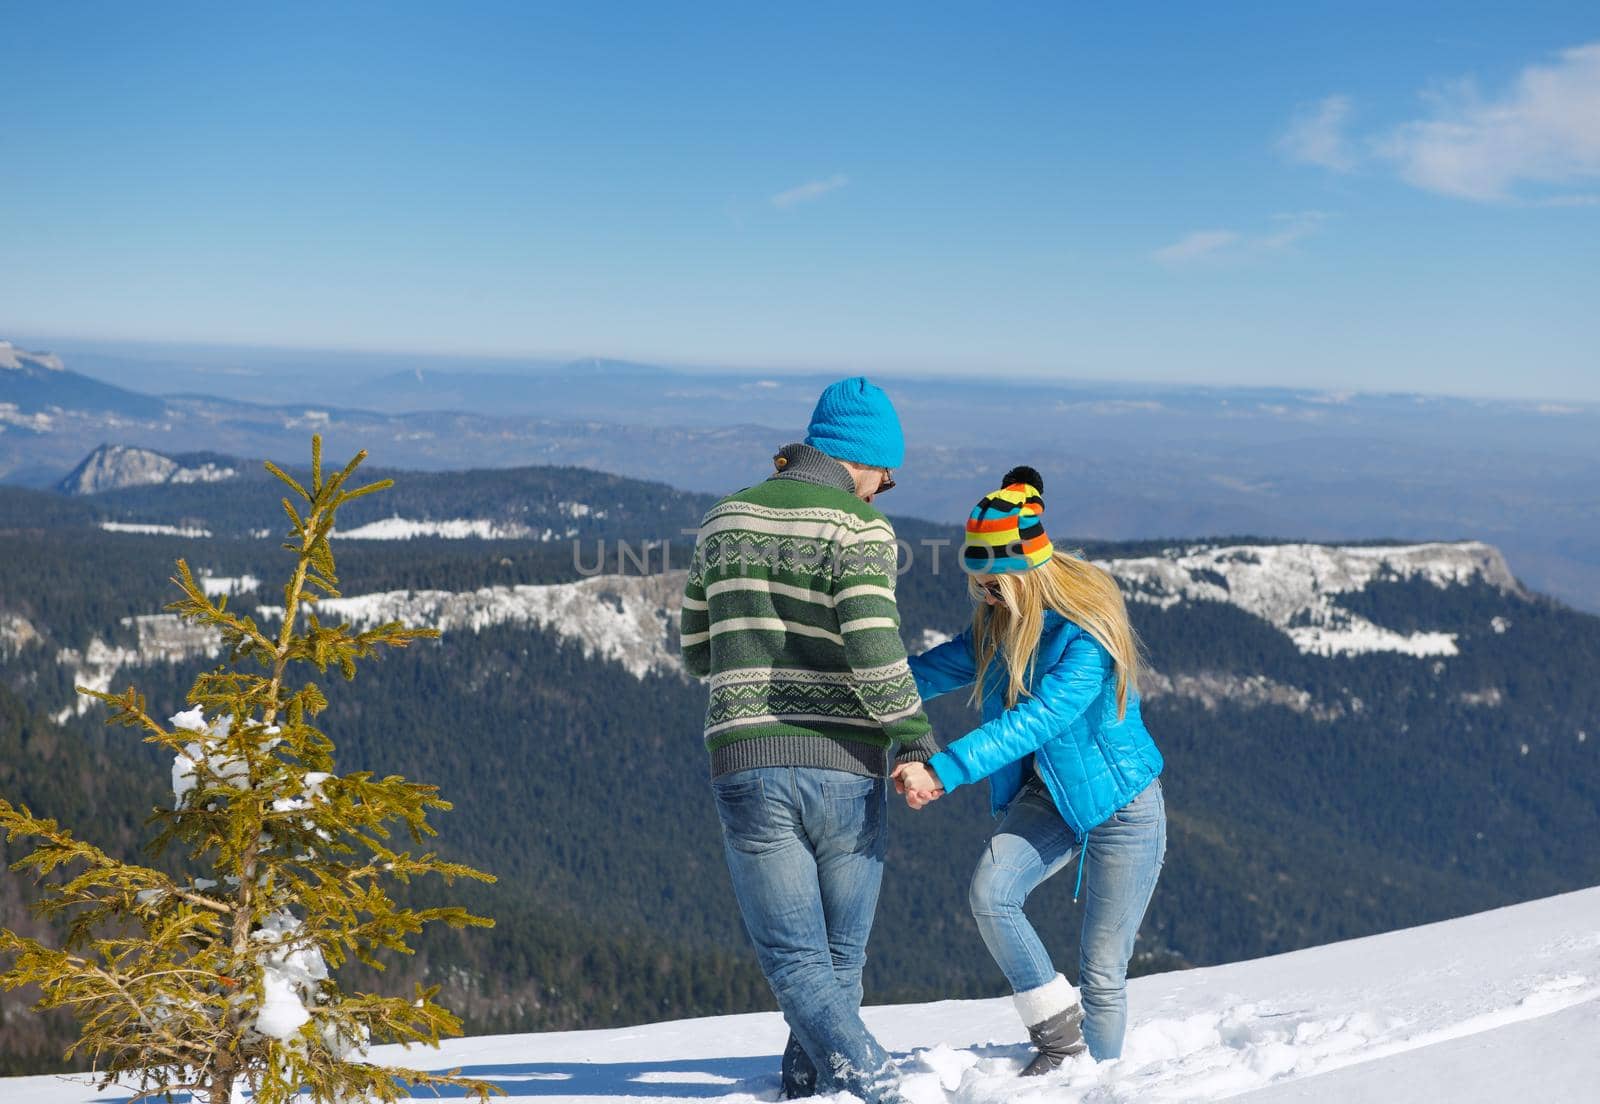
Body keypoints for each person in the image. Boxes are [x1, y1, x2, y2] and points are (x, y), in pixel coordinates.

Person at [680, 377, 939, 1104]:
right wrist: (914, 738)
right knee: (834, 960)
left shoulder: (722, 519)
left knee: (799, 965)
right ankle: (887, 1093)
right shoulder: (858, 530)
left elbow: (696, 648)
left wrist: (751, 641)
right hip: (846, 768)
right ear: (863, 461)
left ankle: (808, 1094)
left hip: (748, 762)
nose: (884, 490)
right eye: (886, 476)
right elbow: (873, 645)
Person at [892, 465, 1165, 1074]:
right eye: (979, 586)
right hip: (1050, 797)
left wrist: (944, 769)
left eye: (993, 586)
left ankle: (1101, 1082)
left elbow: (1041, 720)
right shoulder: (999, 622)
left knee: (1101, 971)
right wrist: (864, 686)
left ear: (1026, 576)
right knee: (993, 893)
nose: (983, 597)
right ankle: (1059, 1039)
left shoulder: (1087, 636)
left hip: (1123, 806)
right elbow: (931, 671)